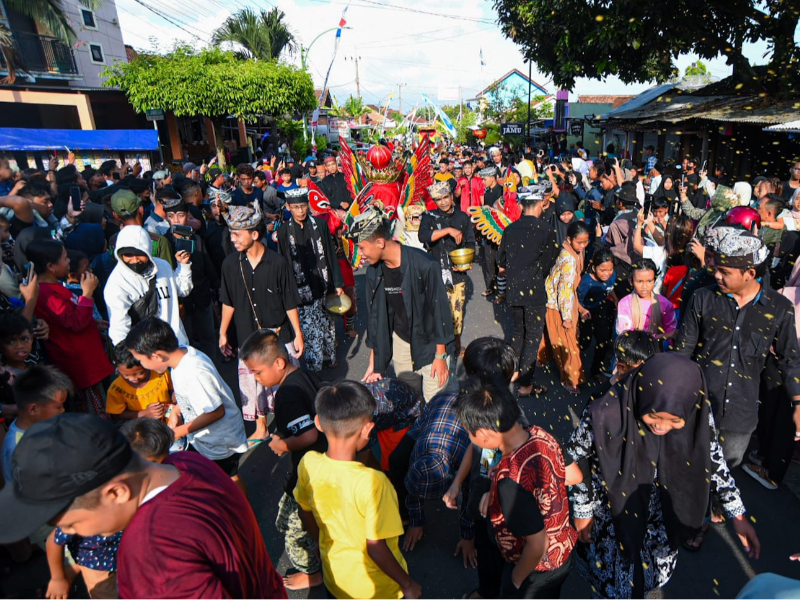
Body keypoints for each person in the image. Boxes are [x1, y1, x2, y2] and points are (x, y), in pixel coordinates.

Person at [0, 413, 288, 599]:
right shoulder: (186, 463)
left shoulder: (148, 552)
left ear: (116, 492)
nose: (68, 532)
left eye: (71, 523)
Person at [565, 353, 760, 600]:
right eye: (654, 416)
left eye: (674, 420)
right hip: (611, 518)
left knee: (645, 581)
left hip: (659, 523)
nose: (661, 427)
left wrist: (737, 515)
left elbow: (714, 460)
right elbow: (572, 458)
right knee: (613, 589)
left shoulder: (697, 414)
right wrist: (583, 512)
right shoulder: (606, 413)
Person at [675, 227, 800, 468]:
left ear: (750, 273)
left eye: (724, 272)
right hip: (696, 407)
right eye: (716, 269)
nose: (717, 276)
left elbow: (790, 360)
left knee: (725, 476)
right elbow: (683, 353)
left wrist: (797, 403)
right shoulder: (702, 298)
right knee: (686, 473)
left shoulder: (779, 308)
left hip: (740, 417)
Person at [295, 382, 422, 600]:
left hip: (335, 579)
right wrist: (407, 584)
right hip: (376, 589)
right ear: (367, 429)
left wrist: (318, 541)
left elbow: (304, 511)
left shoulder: (308, 463)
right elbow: (375, 547)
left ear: (318, 423)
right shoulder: (374, 482)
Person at [456, 377, 577, 599]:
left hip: (534, 570)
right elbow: (572, 475)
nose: (472, 441)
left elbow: (538, 544)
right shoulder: (539, 433)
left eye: (470, 434)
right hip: (563, 553)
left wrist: (515, 580)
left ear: (483, 434)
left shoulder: (510, 484)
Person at [239, 329, 326, 590]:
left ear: (278, 363)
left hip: (311, 470)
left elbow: (309, 434)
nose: (255, 378)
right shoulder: (304, 375)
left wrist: (282, 444)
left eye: (257, 372)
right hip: (322, 463)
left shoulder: (286, 394)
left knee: (296, 530)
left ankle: (317, 571)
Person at [442, 337, 526, 600]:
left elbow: (523, 464)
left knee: (504, 556)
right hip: (480, 495)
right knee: (487, 553)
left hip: (504, 506)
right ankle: (486, 591)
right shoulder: (477, 404)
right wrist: (457, 483)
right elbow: (476, 447)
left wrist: (497, 489)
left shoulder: (515, 420)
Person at [125, 318, 249, 493]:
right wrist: (177, 409)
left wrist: (176, 432)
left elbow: (216, 411)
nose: (142, 365)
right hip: (205, 438)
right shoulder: (180, 359)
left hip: (220, 440)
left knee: (229, 478)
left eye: (140, 360)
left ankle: (242, 512)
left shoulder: (193, 371)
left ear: (157, 356)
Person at [347, 208, 454, 402]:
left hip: (430, 344)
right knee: (408, 399)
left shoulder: (425, 265)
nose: (360, 254)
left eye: (361, 248)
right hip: (402, 342)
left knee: (434, 403)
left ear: (380, 242)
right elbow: (376, 318)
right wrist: (375, 361)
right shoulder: (374, 272)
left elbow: (440, 312)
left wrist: (440, 356)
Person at [218, 201, 303, 441]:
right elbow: (228, 301)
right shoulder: (230, 264)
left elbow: (289, 301)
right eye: (231, 233)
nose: (232, 239)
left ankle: (288, 424)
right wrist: (223, 332)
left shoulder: (277, 263)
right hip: (247, 337)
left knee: (283, 387)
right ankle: (261, 426)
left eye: (237, 234)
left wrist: (298, 333)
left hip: (278, 337)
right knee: (254, 385)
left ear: (254, 234)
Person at [25, 239, 114, 417]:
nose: (68, 262)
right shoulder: (45, 294)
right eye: (65, 258)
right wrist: (87, 293)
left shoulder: (55, 286)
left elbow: (68, 318)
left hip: (89, 361)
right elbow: (75, 323)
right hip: (81, 366)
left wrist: (92, 321)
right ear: (51, 266)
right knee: (95, 415)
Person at [498, 184, 559, 397]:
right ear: (541, 203)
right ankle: (525, 385)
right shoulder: (546, 230)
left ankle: (511, 373)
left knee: (517, 332)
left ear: (522, 204)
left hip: (514, 289)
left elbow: (502, 262)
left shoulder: (510, 229)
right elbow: (548, 263)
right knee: (532, 336)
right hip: (534, 291)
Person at [277, 188, 343, 372]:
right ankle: (315, 364)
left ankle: (330, 356)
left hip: (323, 283)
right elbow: (283, 263)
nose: (301, 211)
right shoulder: (283, 232)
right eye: (296, 207)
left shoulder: (320, 225)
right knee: (309, 328)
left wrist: (337, 283)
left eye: (303, 206)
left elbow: (330, 254)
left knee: (327, 323)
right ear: (288, 207)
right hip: (300, 288)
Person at [104, 225, 193, 348]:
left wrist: (183, 266)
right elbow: (119, 329)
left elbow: (183, 290)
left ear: (148, 251)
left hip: (177, 344)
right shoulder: (116, 283)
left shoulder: (163, 266)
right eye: (128, 254)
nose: (135, 260)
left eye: (140, 254)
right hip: (148, 353)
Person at [419, 181, 476, 357]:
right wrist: (449, 230)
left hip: (457, 273)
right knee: (435, 310)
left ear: (452, 196)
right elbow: (423, 236)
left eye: (445, 197)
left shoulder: (463, 218)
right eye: (438, 199)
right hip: (435, 272)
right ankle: (438, 346)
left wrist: (466, 263)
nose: (443, 202)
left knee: (457, 311)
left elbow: (470, 242)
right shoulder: (429, 217)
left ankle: (456, 343)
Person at [163, 194, 219, 358]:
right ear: (166, 218)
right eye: (171, 216)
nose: (176, 220)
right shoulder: (165, 242)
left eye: (180, 215)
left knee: (208, 338)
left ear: (187, 216)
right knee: (185, 343)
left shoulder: (197, 239)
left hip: (202, 296)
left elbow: (208, 265)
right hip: (180, 303)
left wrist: (216, 289)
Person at [542, 220, 591, 394]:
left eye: (586, 241)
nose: (583, 245)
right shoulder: (569, 259)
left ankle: (543, 360)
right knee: (568, 344)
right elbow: (564, 290)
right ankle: (571, 380)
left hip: (565, 300)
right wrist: (567, 317)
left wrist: (579, 308)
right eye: (580, 242)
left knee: (559, 339)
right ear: (569, 239)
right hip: (559, 304)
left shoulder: (572, 251)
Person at [1, 365, 70, 481]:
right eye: (58, 407)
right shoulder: (20, 449)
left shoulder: (42, 425)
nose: (63, 411)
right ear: (33, 409)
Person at [46, 526, 122, 600]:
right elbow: (54, 541)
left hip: (123, 552)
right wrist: (58, 579)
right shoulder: (80, 517)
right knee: (106, 594)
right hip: (96, 565)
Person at [577, 248, 617, 381]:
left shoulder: (613, 275)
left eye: (610, 269)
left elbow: (609, 288)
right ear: (594, 268)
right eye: (603, 270)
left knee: (603, 341)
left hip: (601, 309)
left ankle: (595, 371)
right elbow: (575, 298)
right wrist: (582, 310)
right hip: (586, 311)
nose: (607, 274)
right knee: (584, 342)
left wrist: (616, 300)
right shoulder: (586, 282)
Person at [105, 345, 173, 421]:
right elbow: (117, 415)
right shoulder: (116, 389)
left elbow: (175, 394)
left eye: (139, 373)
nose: (133, 379)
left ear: (145, 362)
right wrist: (144, 413)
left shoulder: (161, 373)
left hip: (170, 423)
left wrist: (167, 411)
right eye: (125, 375)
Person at [615, 259, 677, 341]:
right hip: (633, 350)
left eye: (649, 281)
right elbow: (626, 336)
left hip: (656, 350)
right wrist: (662, 336)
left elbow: (671, 331)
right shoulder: (625, 304)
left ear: (654, 280)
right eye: (640, 281)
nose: (644, 286)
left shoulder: (665, 304)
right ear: (631, 282)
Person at [479, 167, 506, 301]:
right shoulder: (487, 191)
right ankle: (490, 286)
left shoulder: (502, 191)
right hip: (488, 232)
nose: (483, 182)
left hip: (500, 232)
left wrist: (491, 210)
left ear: (493, 177)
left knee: (500, 262)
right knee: (489, 260)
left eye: (484, 179)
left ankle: (502, 292)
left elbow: (505, 212)